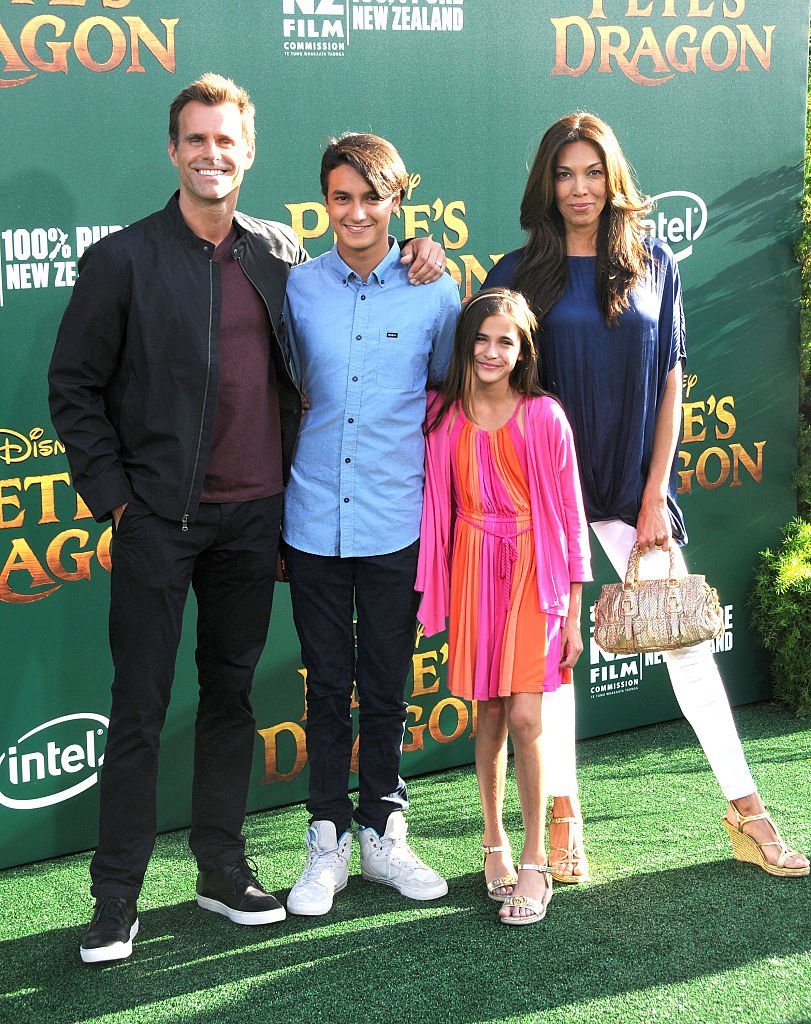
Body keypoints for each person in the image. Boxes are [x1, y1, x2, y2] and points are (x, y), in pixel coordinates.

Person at [48, 76, 447, 965]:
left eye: (226, 141)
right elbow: (73, 390)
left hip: (253, 526)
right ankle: (115, 897)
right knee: (140, 709)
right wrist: (116, 501)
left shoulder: (277, 252)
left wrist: (423, 250)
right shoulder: (122, 260)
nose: (211, 155)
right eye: (196, 140)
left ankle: (221, 871)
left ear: (248, 152)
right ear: (173, 149)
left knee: (229, 701)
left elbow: (359, 288)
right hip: (156, 522)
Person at [483, 111, 809, 881]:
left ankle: (746, 810)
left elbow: (669, 382)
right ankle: (563, 813)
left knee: (689, 649)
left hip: (635, 490)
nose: (578, 188)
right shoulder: (518, 271)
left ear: (613, 177)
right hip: (546, 496)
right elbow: (480, 373)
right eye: (563, 174)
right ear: (545, 183)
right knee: (552, 664)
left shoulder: (655, 262)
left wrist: (656, 492)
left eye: (591, 171)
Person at [281, 133, 461, 916]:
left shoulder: (435, 291)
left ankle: (384, 830)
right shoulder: (293, 288)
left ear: (396, 202)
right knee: (325, 686)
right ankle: (326, 838)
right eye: (340, 197)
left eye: (371, 197)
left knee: (385, 687)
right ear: (324, 203)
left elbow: (448, 402)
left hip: (397, 519)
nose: (355, 213)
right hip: (310, 518)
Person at [415, 288, 591, 924]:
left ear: (522, 352)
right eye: (482, 339)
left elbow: (570, 519)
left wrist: (573, 611)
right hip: (470, 573)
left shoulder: (544, 417)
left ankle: (538, 859)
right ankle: (494, 844)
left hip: (534, 574)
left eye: (506, 342)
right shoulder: (441, 416)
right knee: (487, 713)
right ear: (467, 345)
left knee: (525, 716)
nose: (492, 352)